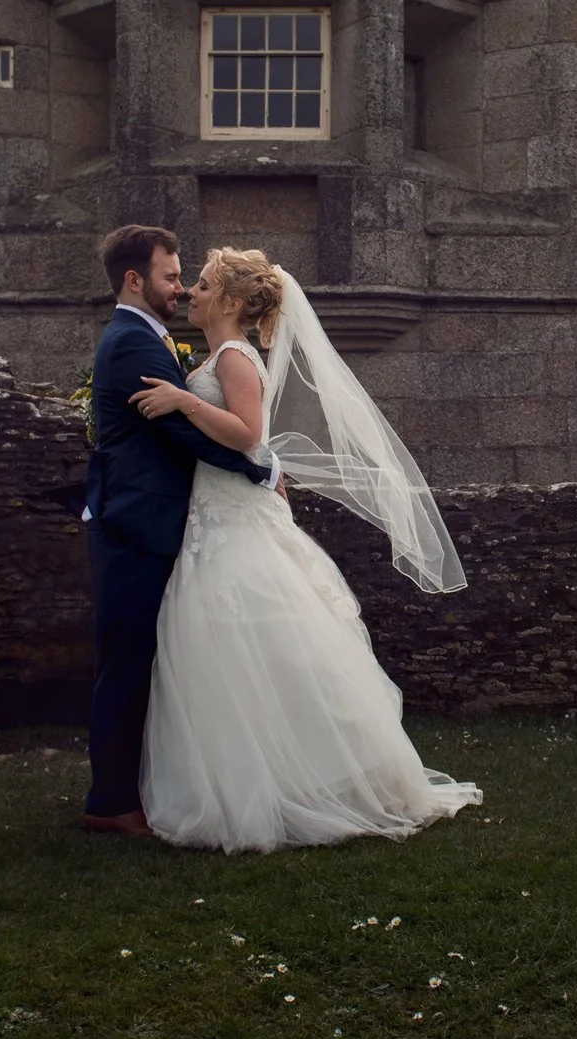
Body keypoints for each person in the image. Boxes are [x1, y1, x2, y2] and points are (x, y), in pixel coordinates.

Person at [125, 246, 480, 851]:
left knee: (250, 643)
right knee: (225, 653)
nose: (193, 294)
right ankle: (248, 778)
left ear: (233, 303)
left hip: (233, 522)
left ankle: (300, 783)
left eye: (204, 285)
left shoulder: (235, 356)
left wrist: (183, 401)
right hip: (215, 515)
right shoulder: (220, 354)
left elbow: (247, 434)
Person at [79, 226, 278, 837]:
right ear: (135, 280)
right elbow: (181, 435)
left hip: (163, 522)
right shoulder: (135, 343)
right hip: (138, 525)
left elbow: (214, 423)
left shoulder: (155, 340)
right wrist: (261, 470)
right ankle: (112, 803)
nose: (182, 286)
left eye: (192, 278)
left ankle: (141, 789)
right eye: (171, 276)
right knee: (129, 663)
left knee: (152, 661)